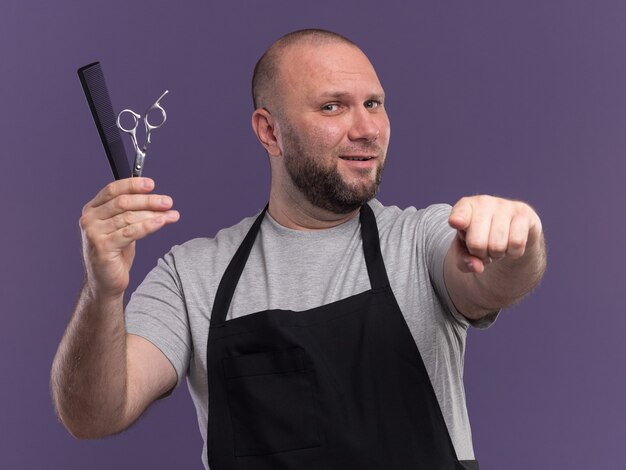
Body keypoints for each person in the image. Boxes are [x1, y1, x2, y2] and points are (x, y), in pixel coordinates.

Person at [51, 29, 546, 470]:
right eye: (333, 106)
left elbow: (492, 280)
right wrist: (103, 292)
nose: (367, 129)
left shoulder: (420, 239)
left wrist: (519, 241)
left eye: (373, 104)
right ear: (270, 132)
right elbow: (94, 414)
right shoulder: (192, 276)